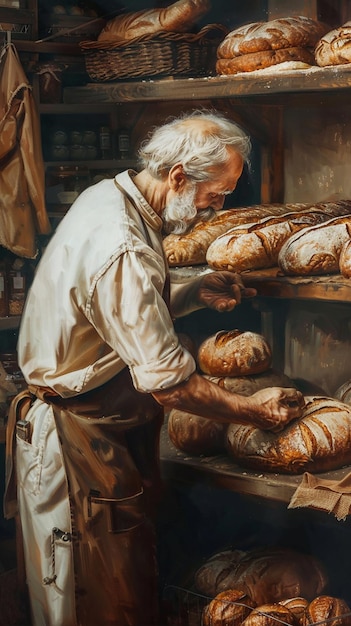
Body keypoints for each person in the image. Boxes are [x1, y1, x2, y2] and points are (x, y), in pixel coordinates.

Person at [4, 109, 304, 626]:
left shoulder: (111, 195)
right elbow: (171, 386)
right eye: (219, 191)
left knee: (113, 588)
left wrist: (190, 293)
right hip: (78, 444)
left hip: (98, 432)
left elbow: (110, 313)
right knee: (89, 598)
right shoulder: (122, 244)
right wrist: (253, 411)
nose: (219, 205)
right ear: (180, 176)